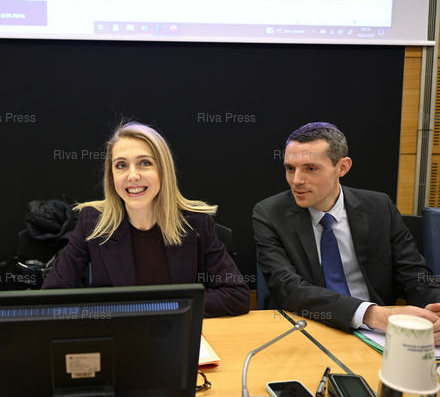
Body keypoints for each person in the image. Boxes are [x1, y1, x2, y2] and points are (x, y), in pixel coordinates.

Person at [253, 122, 440, 340]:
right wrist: (371, 315)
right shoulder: (270, 214)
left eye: (310, 168)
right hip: (307, 328)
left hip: (380, 333)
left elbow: (414, 274)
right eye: (290, 169)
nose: (297, 181)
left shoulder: (379, 207)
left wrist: (436, 309)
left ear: (342, 167)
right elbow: (288, 288)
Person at [42, 122, 250, 317]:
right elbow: (52, 296)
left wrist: (165, 306)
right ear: (111, 175)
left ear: (163, 170)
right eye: (121, 165)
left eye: (144, 163)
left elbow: (236, 295)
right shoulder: (92, 222)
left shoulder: (196, 223)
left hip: (175, 333)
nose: (132, 176)